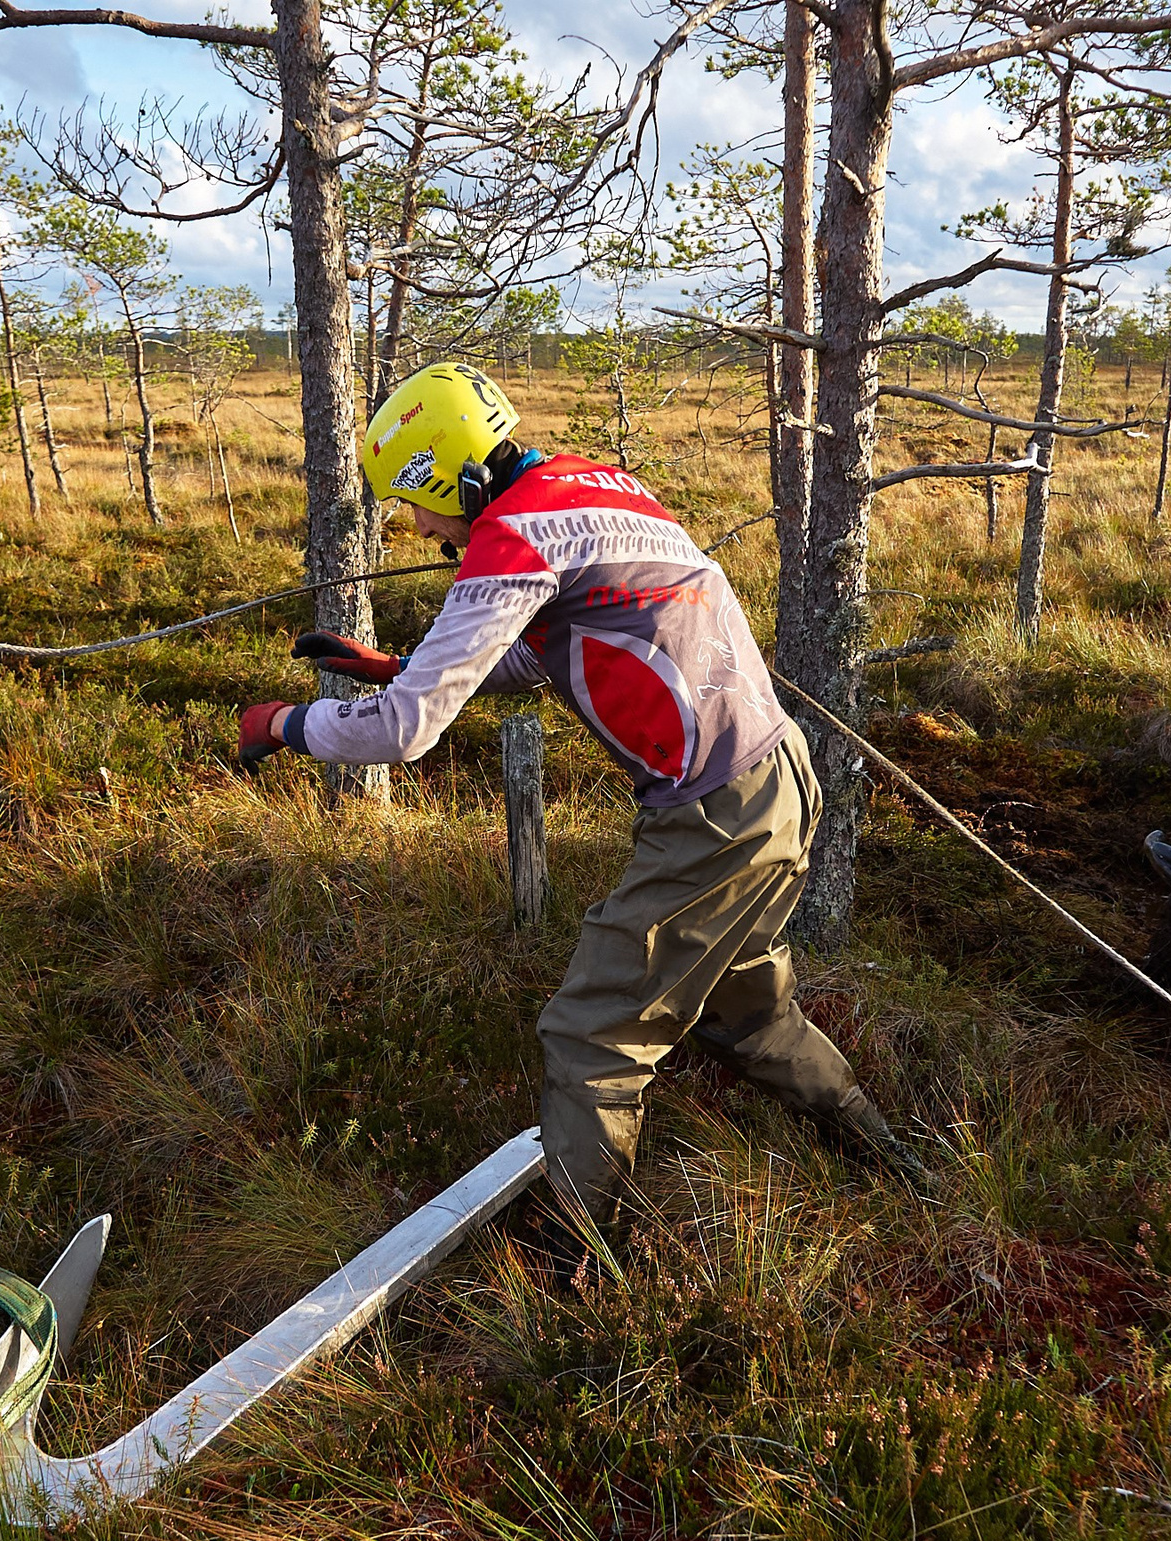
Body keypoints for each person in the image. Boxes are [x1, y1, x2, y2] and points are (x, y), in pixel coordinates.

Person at [236, 361, 908, 1250]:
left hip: (712, 814)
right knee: (748, 1010)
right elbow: (570, 644)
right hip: (780, 777)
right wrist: (406, 666)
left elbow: (405, 735)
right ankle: (895, 1161)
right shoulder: (601, 485)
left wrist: (289, 723)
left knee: (590, 1037)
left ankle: (581, 1271)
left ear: (445, 471)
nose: (417, 524)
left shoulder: (511, 533)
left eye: (414, 500)